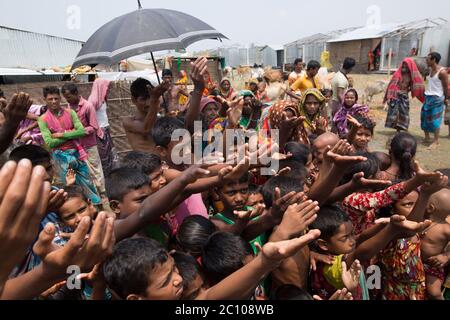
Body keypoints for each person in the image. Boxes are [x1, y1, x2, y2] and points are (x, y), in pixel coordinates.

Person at [37, 86, 101, 205]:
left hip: (77, 153)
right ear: (44, 99)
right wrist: (72, 134)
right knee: (71, 187)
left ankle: (97, 208)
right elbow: (49, 143)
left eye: (56, 98)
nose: (54, 101)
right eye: (50, 99)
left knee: (88, 183)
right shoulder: (43, 119)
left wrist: (62, 134)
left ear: (60, 98)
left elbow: (82, 131)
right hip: (61, 158)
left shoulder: (70, 112)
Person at [62, 83, 107, 204]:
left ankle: (102, 194)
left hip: (89, 144)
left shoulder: (87, 106)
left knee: (96, 169)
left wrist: (78, 132)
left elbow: (94, 126)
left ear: (76, 93)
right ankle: (92, 195)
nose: (68, 99)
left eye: (69, 96)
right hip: (77, 145)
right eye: (66, 98)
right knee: (85, 171)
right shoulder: (69, 107)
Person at [122, 78, 169, 153]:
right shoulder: (128, 121)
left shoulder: (160, 120)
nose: (148, 103)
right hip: (142, 163)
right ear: (133, 100)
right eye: (143, 99)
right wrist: (154, 100)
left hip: (160, 162)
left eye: (149, 98)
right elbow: (146, 129)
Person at [421, 188, 450, 300]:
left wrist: (446, 256)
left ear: (430, 207)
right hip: (415, 264)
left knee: (434, 292)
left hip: (432, 264)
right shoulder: (420, 219)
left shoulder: (445, 228)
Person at [384, 58, 425, 132]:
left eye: (406, 66)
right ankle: (397, 130)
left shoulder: (410, 76)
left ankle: (403, 127)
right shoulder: (397, 74)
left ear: (409, 66)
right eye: (403, 65)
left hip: (404, 96)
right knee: (395, 113)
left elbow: (414, 86)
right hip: (395, 96)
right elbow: (391, 86)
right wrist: (390, 96)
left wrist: (407, 91)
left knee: (404, 112)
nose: (404, 67)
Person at [88, 78, 116, 177]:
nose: (108, 89)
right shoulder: (93, 100)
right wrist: (98, 130)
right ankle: (105, 176)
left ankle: (111, 174)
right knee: (103, 154)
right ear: (100, 87)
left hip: (105, 129)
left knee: (109, 153)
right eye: (106, 87)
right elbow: (90, 117)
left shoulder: (102, 99)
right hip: (99, 131)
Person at [421, 52, 449, 149]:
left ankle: (436, 141)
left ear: (434, 60)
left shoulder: (442, 72)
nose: (426, 61)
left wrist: (447, 99)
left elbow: (446, 88)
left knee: (435, 120)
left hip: (437, 98)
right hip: (428, 97)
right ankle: (427, 137)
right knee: (424, 117)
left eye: (428, 59)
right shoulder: (429, 70)